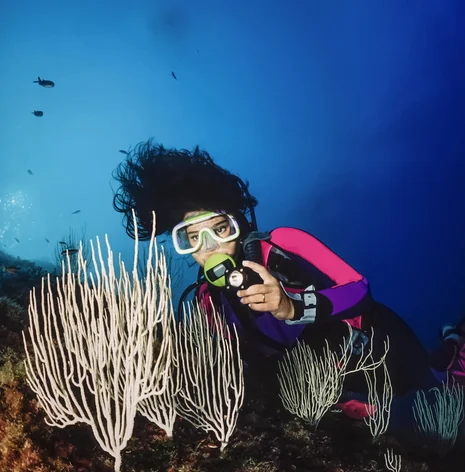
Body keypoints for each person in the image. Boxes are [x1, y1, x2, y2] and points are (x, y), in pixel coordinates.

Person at [112, 140, 452, 416]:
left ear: (238, 223)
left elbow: (360, 291)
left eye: (219, 229)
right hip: (330, 384)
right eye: (191, 238)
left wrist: (293, 307)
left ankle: (453, 343)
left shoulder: (284, 244)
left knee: (438, 381)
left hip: (381, 347)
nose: (211, 246)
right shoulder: (206, 300)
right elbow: (250, 360)